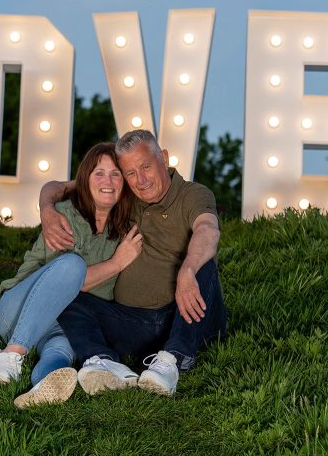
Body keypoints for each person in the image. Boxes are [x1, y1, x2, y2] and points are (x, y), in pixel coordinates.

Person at [39, 130, 227, 397]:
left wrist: (188, 270)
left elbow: (208, 229)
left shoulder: (192, 194)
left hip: (187, 315)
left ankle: (174, 359)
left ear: (163, 158)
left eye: (146, 167)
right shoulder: (125, 194)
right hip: (134, 323)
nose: (140, 180)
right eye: (130, 173)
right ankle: (104, 362)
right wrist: (46, 209)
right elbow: (59, 187)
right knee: (65, 292)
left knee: (202, 265)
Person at [0, 142, 143, 409]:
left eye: (116, 174)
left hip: (67, 322)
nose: (108, 181)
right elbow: (73, 280)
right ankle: (10, 355)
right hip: (20, 310)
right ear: (85, 180)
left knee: (59, 352)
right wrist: (117, 263)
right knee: (72, 265)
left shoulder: (125, 228)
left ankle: (44, 385)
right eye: (99, 173)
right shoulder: (66, 215)